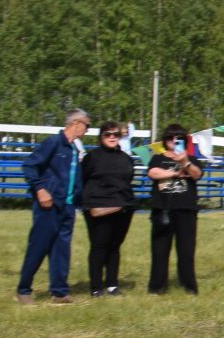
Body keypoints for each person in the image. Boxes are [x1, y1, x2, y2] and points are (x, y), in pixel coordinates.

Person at [15, 110, 89, 304]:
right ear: (76, 123)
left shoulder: (74, 148)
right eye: (86, 126)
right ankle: (23, 290)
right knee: (38, 247)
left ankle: (59, 291)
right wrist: (40, 189)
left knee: (61, 249)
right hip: (49, 205)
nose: (87, 130)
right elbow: (29, 165)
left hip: (68, 206)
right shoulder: (53, 143)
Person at [79, 120, 138, 297]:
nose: (112, 137)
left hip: (123, 207)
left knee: (115, 246)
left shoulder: (126, 158)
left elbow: (129, 178)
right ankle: (96, 286)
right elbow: (83, 178)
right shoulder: (92, 157)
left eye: (116, 135)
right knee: (99, 246)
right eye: (108, 134)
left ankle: (112, 284)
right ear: (101, 136)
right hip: (99, 208)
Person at [146, 124, 202, 295]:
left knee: (186, 251)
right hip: (162, 209)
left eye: (179, 139)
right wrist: (174, 173)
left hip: (186, 210)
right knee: (159, 250)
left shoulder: (191, 158)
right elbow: (153, 173)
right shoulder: (157, 158)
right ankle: (157, 286)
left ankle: (189, 286)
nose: (174, 141)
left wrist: (184, 162)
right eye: (171, 138)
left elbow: (197, 174)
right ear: (165, 140)